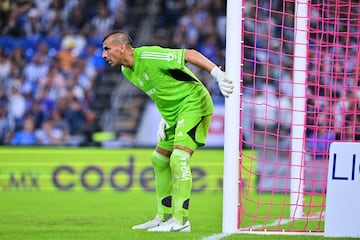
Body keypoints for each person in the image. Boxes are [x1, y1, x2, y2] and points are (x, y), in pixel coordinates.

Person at [102, 30, 233, 232]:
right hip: (173, 114)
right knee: (159, 160)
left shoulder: (148, 55)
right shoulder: (127, 71)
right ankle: (163, 217)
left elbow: (189, 54)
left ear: (121, 47)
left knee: (178, 158)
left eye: (106, 49)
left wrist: (218, 74)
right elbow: (162, 89)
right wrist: (165, 119)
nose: (103, 55)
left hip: (194, 103)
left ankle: (181, 221)